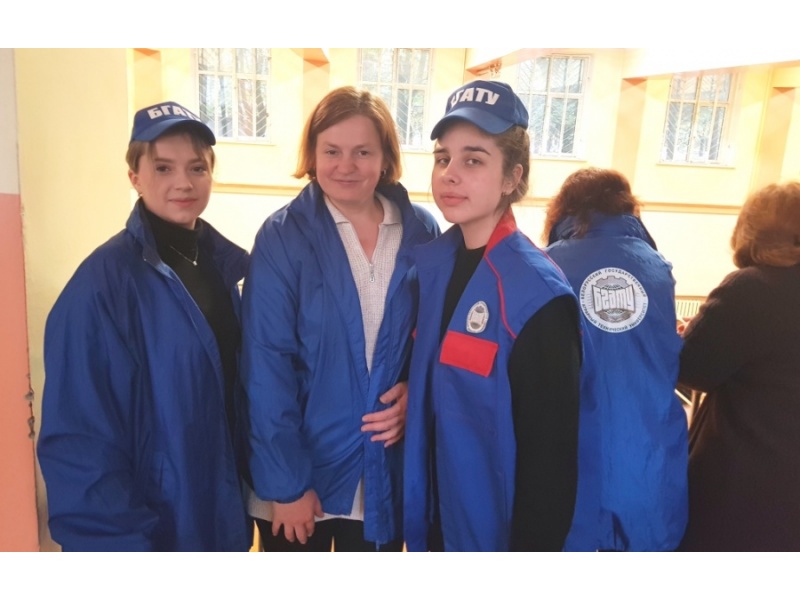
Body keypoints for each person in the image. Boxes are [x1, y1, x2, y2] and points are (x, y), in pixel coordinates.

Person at [37, 101, 251, 551]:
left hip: (217, 512)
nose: (183, 182)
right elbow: (81, 439)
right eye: (163, 167)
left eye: (197, 167)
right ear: (134, 176)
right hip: (150, 525)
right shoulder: (101, 286)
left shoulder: (219, 267)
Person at [241, 86, 439, 552]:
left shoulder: (421, 231)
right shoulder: (282, 236)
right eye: (332, 151)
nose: (346, 166)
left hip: (382, 476)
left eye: (362, 152)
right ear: (312, 154)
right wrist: (287, 485)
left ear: (385, 157)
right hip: (303, 477)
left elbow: (431, 339)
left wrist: (415, 392)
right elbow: (265, 365)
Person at [403, 80, 582, 551]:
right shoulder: (430, 269)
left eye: (473, 160)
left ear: (511, 178)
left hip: (491, 536)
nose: (449, 174)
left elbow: (551, 459)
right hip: (433, 522)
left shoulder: (537, 296)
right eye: (443, 158)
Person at [543, 167, 688, 551]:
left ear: (564, 208)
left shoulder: (547, 265)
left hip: (571, 449)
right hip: (646, 449)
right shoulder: (656, 266)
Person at [678, 181, 800, 551]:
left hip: (744, 485)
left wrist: (685, 336)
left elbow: (693, 368)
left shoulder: (751, 288)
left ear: (752, 229)